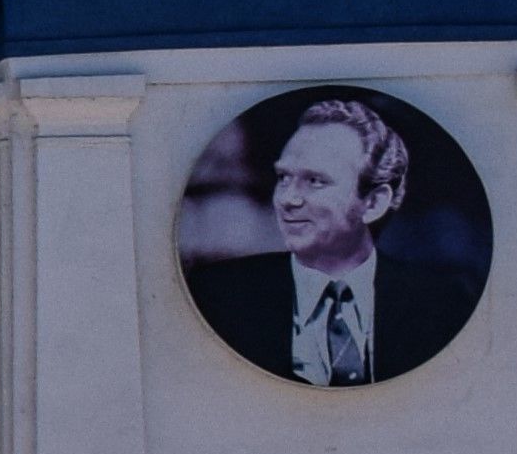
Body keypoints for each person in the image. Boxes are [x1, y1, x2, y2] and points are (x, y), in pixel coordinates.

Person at [186, 92, 478, 385]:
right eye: (284, 178)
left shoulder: (444, 305)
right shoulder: (218, 297)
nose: (287, 199)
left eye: (315, 181)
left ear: (374, 203)